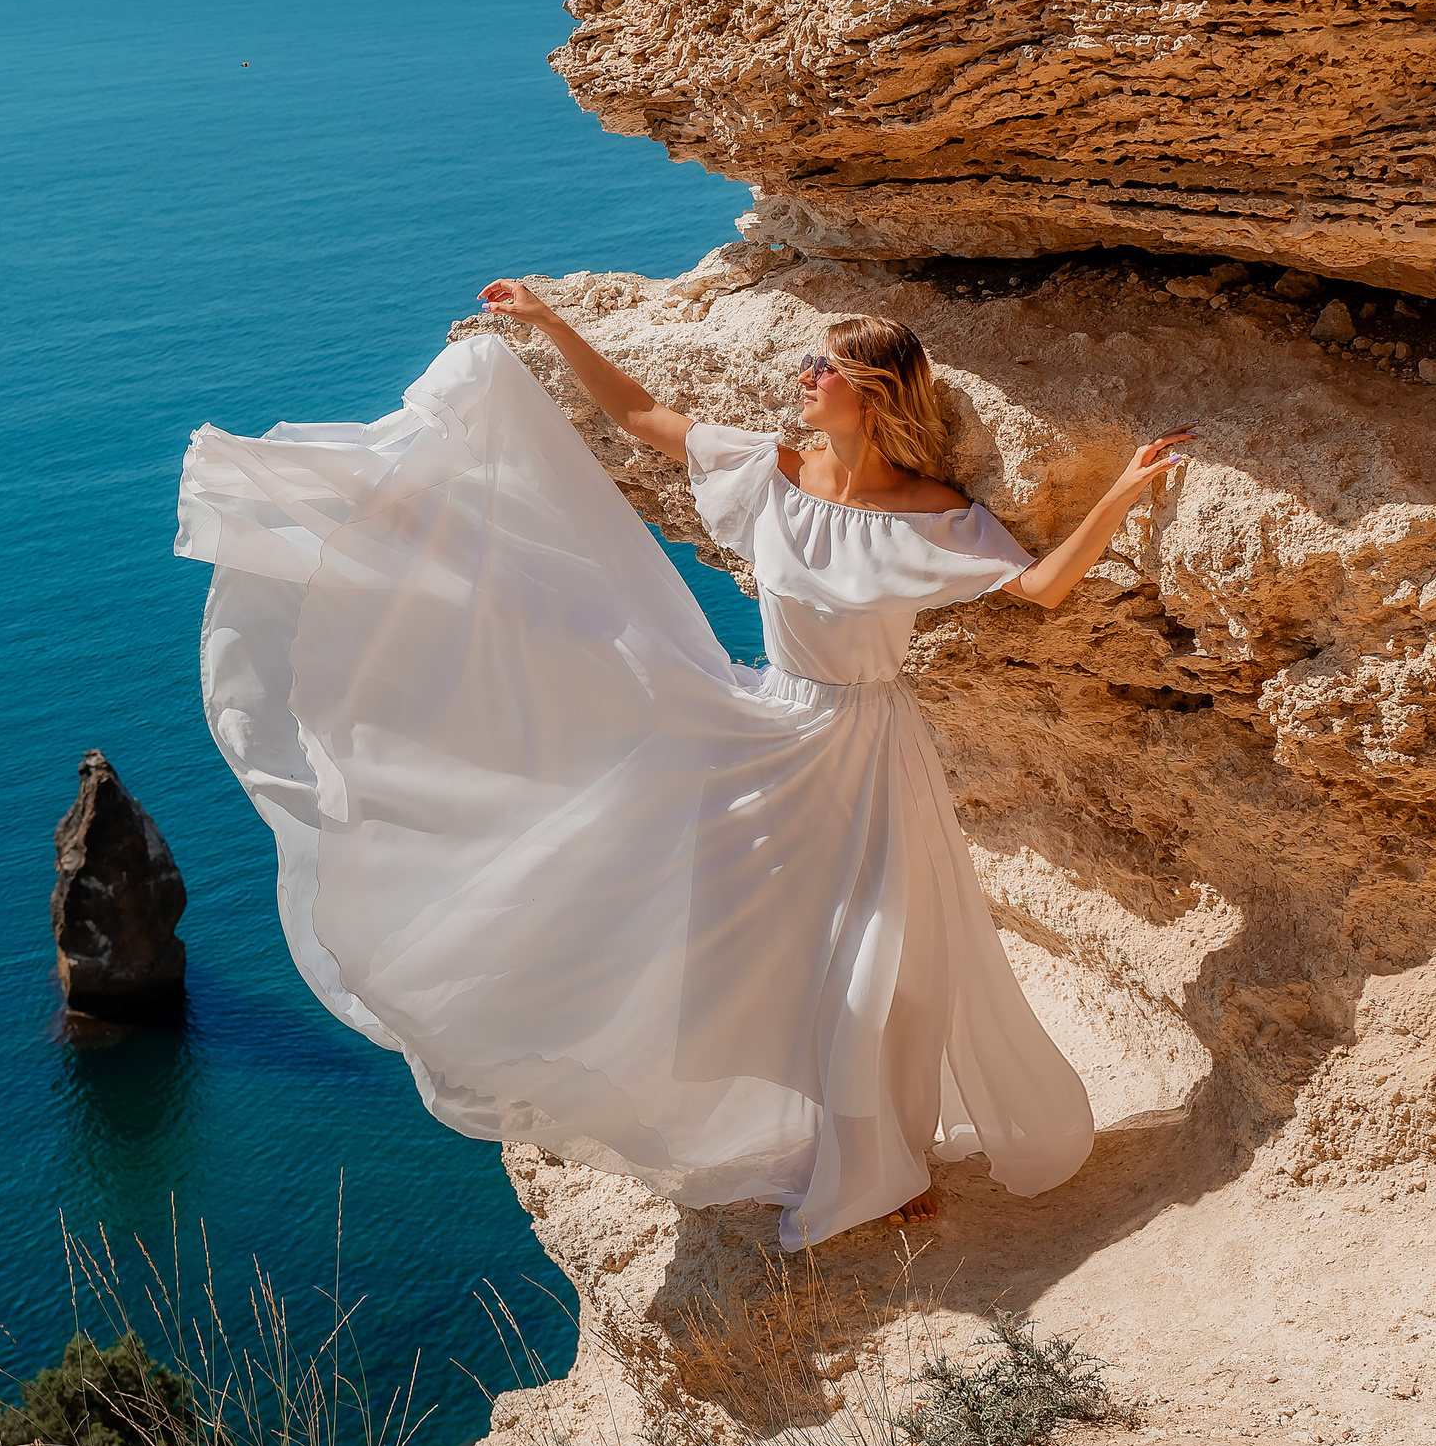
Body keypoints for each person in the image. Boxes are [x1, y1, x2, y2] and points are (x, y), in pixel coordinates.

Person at [174, 280, 1192, 1248]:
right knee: (762, 951)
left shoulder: (931, 513)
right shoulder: (770, 472)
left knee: (888, 964)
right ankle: (817, 1139)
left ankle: (890, 1159)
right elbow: (642, 414)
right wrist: (550, 321)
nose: (803, 375)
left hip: (873, 750)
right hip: (769, 730)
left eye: (823, 365)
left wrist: (1124, 489)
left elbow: (1043, 587)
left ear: (870, 392)